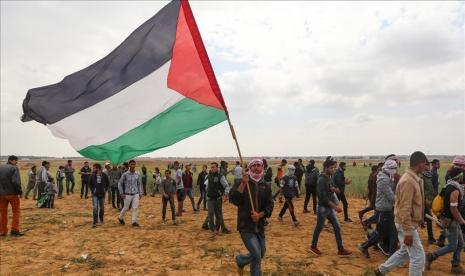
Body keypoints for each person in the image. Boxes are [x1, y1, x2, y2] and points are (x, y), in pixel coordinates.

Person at [374, 151, 428, 276]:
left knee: (404, 252)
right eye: (425, 164)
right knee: (418, 257)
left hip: (406, 223)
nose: (426, 167)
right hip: (405, 224)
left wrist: (419, 218)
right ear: (419, 164)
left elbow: (413, 204)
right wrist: (408, 232)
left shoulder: (413, 178)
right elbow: (405, 208)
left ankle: (381, 271)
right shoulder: (408, 181)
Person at [230, 159, 274, 276]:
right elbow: (234, 200)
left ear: (263, 167)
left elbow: (270, 205)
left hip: (259, 226)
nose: (256, 167)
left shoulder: (266, 186)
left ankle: (241, 260)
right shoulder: (241, 181)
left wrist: (260, 215)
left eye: (258, 165)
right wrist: (243, 184)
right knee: (256, 254)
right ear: (249, 168)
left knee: (261, 254)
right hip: (246, 226)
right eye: (253, 165)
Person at [425, 167, 465, 273]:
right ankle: (431, 256)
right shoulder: (455, 190)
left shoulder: (448, 185)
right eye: (462, 175)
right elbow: (453, 208)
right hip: (450, 221)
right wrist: (462, 221)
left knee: (460, 244)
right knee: (452, 246)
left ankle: (455, 266)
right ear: (459, 176)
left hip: (451, 220)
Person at [309, 158, 352, 256]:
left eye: (334, 168)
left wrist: (334, 190)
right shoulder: (321, 180)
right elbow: (323, 198)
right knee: (319, 227)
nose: (333, 169)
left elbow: (333, 188)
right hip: (323, 208)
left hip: (329, 208)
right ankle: (313, 246)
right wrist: (335, 207)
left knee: (337, 227)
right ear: (326, 168)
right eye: (332, 168)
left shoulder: (329, 178)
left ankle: (340, 249)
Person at [358, 160, 398, 258]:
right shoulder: (383, 180)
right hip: (383, 209)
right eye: (393, 169)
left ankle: (391, 253)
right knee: (381, 234)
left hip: (387, 208)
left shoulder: (387, 176)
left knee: (393, 232)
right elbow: (391, 196)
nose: (395, 171)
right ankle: (364, 246)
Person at [205, 162, 230, 239]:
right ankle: (213, 231)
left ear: (217, 168)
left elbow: (226, 186)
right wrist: (208, 192)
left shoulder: (220, 176)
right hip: (210, 199)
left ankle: (217, 229)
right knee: (210, 214)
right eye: (211, 167)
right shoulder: (208, 176)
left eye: (213, 167)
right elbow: (206, 185)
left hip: (218, 199)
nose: (211, 168)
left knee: (219, 215)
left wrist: (225, 194)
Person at [0, 155, 23, 236]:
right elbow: (16, 182)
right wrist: (19, 192)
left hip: (1, 194)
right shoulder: (14, 168)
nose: (16, 163)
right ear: (12, 160)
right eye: (16, 161)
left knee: (3, 213)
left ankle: (2, 231)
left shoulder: (1, 167)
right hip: (12, 194)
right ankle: (14, 230)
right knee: (16, 212)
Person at [118, 160, 143, 227]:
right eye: (131, 164)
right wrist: (121, 193)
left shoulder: (137, 174)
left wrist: (140, 193)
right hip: (127, 194)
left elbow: (139, 184)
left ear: (135, 165)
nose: (132, 166)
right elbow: (120, 183)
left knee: (135, 208)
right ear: (129, 165)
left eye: (134, 164)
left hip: (136, 193)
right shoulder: (125, 174)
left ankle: (133, 221)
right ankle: (120, 217)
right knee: (126, 207)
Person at [89, 163, 109, 228]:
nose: (93, 169)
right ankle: (95, 222)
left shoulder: (104, 175)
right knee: (95, 207)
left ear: (98, 168)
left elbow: (108, 183)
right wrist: (93, 190)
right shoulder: (92, 175)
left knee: (102, 208)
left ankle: (101, 219)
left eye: (94, 168)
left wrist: (105, 189)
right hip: (95, 194)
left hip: (102, 194)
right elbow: (90, 184)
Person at [422, 162, 436, 244]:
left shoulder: (428, 175)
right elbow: (421, 189)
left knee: (428, 219)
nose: (430, 167)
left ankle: (431, 238)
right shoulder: (422, 176)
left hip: (428, 202)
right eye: (428, 165)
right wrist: (425, 199)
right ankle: (431, 238)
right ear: (424, 166)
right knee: (428, 219)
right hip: (423, 202)